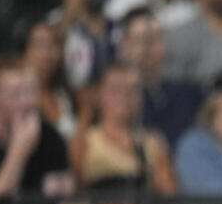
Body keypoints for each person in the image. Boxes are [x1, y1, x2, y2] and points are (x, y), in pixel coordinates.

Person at [68, 63, 177, 194]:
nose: (124, 97)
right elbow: (72, 195)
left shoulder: (153, 143)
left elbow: (168, 194)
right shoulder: (83, 142)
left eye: (132, 90)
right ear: (100, 95)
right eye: (115, 90)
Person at [115, 6, 205, 150]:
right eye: (142, 40)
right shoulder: (113, 99)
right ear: (124, 46)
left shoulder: (188, 92)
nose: (150, 48)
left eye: (156, 39)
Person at [0, 55, 74, 197]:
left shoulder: (52, 138)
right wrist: (19, 150)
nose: (26, 102)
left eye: (31, 91)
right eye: (15, 93)